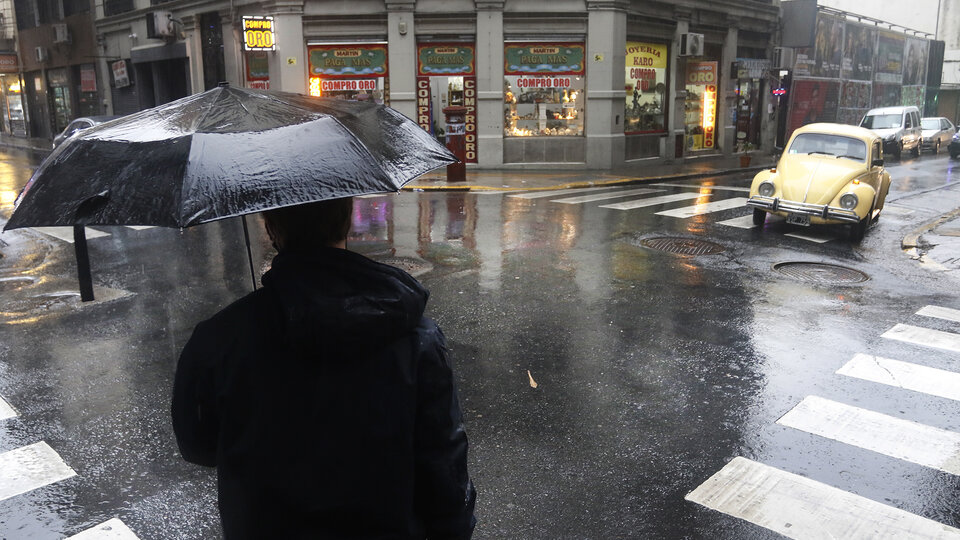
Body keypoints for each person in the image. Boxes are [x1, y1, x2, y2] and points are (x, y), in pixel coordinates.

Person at [172, 197, 477, 539]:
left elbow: (198, 446)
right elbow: (443, 467)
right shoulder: (416, 335)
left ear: (271, 228)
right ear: (347, 220)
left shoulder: (219, 338)